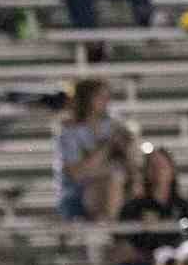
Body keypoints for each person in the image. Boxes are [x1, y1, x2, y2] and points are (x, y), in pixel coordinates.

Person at [53, 77, 133, 223]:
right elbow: (76, 174)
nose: (106, 101)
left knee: (117, 178)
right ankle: (110, 228)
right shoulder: (70, 131)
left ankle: (111, 224)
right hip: (77, 195)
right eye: (100, 96)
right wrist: (107, 146)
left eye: (107, 97)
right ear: (86, 99)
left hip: (110, 190)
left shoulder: (112, 126)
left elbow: (128, 165)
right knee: (112, 177)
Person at [113, 141, 186, 265]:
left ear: (172, 170)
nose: (158, 171)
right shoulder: (132, 208)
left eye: (162, 165)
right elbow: (120, 250)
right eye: (153, 166)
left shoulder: (183, 207)